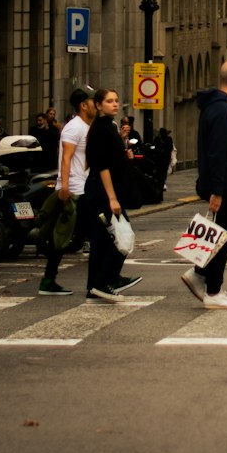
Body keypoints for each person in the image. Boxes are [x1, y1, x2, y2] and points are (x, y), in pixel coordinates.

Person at [186, 59, 227, 309]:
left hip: (221, 180)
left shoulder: (213, 106)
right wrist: (218, 190)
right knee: (225, 233)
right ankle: (212, 290)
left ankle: (199, 273)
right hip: (222, 182)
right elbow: (217, 152)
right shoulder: (222, 110)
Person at [82, 88, 143, 301]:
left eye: (116, 100)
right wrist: (112, 198)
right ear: (98, 105)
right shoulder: (100, 128)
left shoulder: (108, 127)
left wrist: (123, 153)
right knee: (122, 237)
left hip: (104, 191)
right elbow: (101, 166)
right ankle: (108, 280)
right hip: (103, 191)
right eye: (109, 101)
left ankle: (95, 286)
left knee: (102, 239)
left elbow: (108, 158)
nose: (115, 104)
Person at [38, 87, 96, 295]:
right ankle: (102, 282)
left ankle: (49, 280)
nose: (96, 104)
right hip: (74, 190)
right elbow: (65, 157)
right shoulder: (75, 127)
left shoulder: (86, 126)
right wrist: (63, 187)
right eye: (92, 101)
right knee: (66, 236)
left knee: (70, 238)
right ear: (83, 105)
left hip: (82, 187)